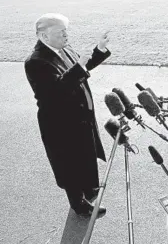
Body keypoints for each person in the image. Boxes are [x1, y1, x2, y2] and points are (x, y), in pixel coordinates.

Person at [24, 13, 111, 217]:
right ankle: (78, 205)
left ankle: (88, 189)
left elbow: (83, 67)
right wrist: (79, 67)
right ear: (44, 36)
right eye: (60, 32)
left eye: (65, 30)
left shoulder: (65, 48)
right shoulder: (35, 62)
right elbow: (56, 91)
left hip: (81, 117)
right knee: (70, 164)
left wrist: (99, 50)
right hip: (60, 125)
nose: (65, 35)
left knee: (86, 155)